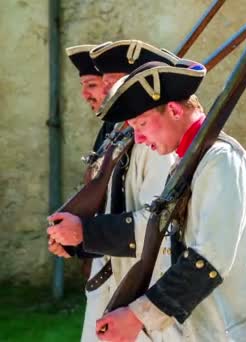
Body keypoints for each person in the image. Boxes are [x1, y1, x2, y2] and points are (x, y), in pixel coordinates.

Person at [92, 60, 246, 341]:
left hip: (231, 330)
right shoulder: (187, 164)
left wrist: (138, 315)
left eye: (142, 124)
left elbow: (208, 259)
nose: (140, 138)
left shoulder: (222, 160)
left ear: (173, 109)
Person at [48, 40, 178, 341]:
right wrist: (76, 239)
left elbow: (156, 222)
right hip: (111, 278)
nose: (105, 93)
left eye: (110, 83)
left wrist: (85, 233)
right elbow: (109, 205)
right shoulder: (118, 138)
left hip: (140, 287)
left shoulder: (154, 145)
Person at [63, 43, 115, 342]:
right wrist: (75, 240)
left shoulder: (132, 131)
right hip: (106, 262)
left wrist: (83, 237)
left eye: (93, 85)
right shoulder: (111, 128)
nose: (85, 95)